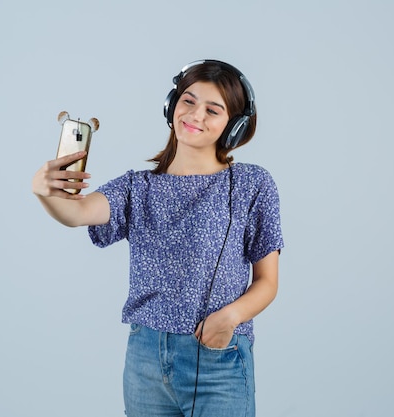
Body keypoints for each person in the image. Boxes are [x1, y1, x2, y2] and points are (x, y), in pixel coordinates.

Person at [32, 59, 284, 417]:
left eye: (213, 110)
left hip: (218, 357)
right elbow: (77, 213)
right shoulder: (138, 186)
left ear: (234, 127)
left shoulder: (252, 184)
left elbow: (267, 282)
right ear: (172, 104)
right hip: (146, 360)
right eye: (188, 101)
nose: (195, 115)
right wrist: (45, 191)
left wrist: (229, 318)